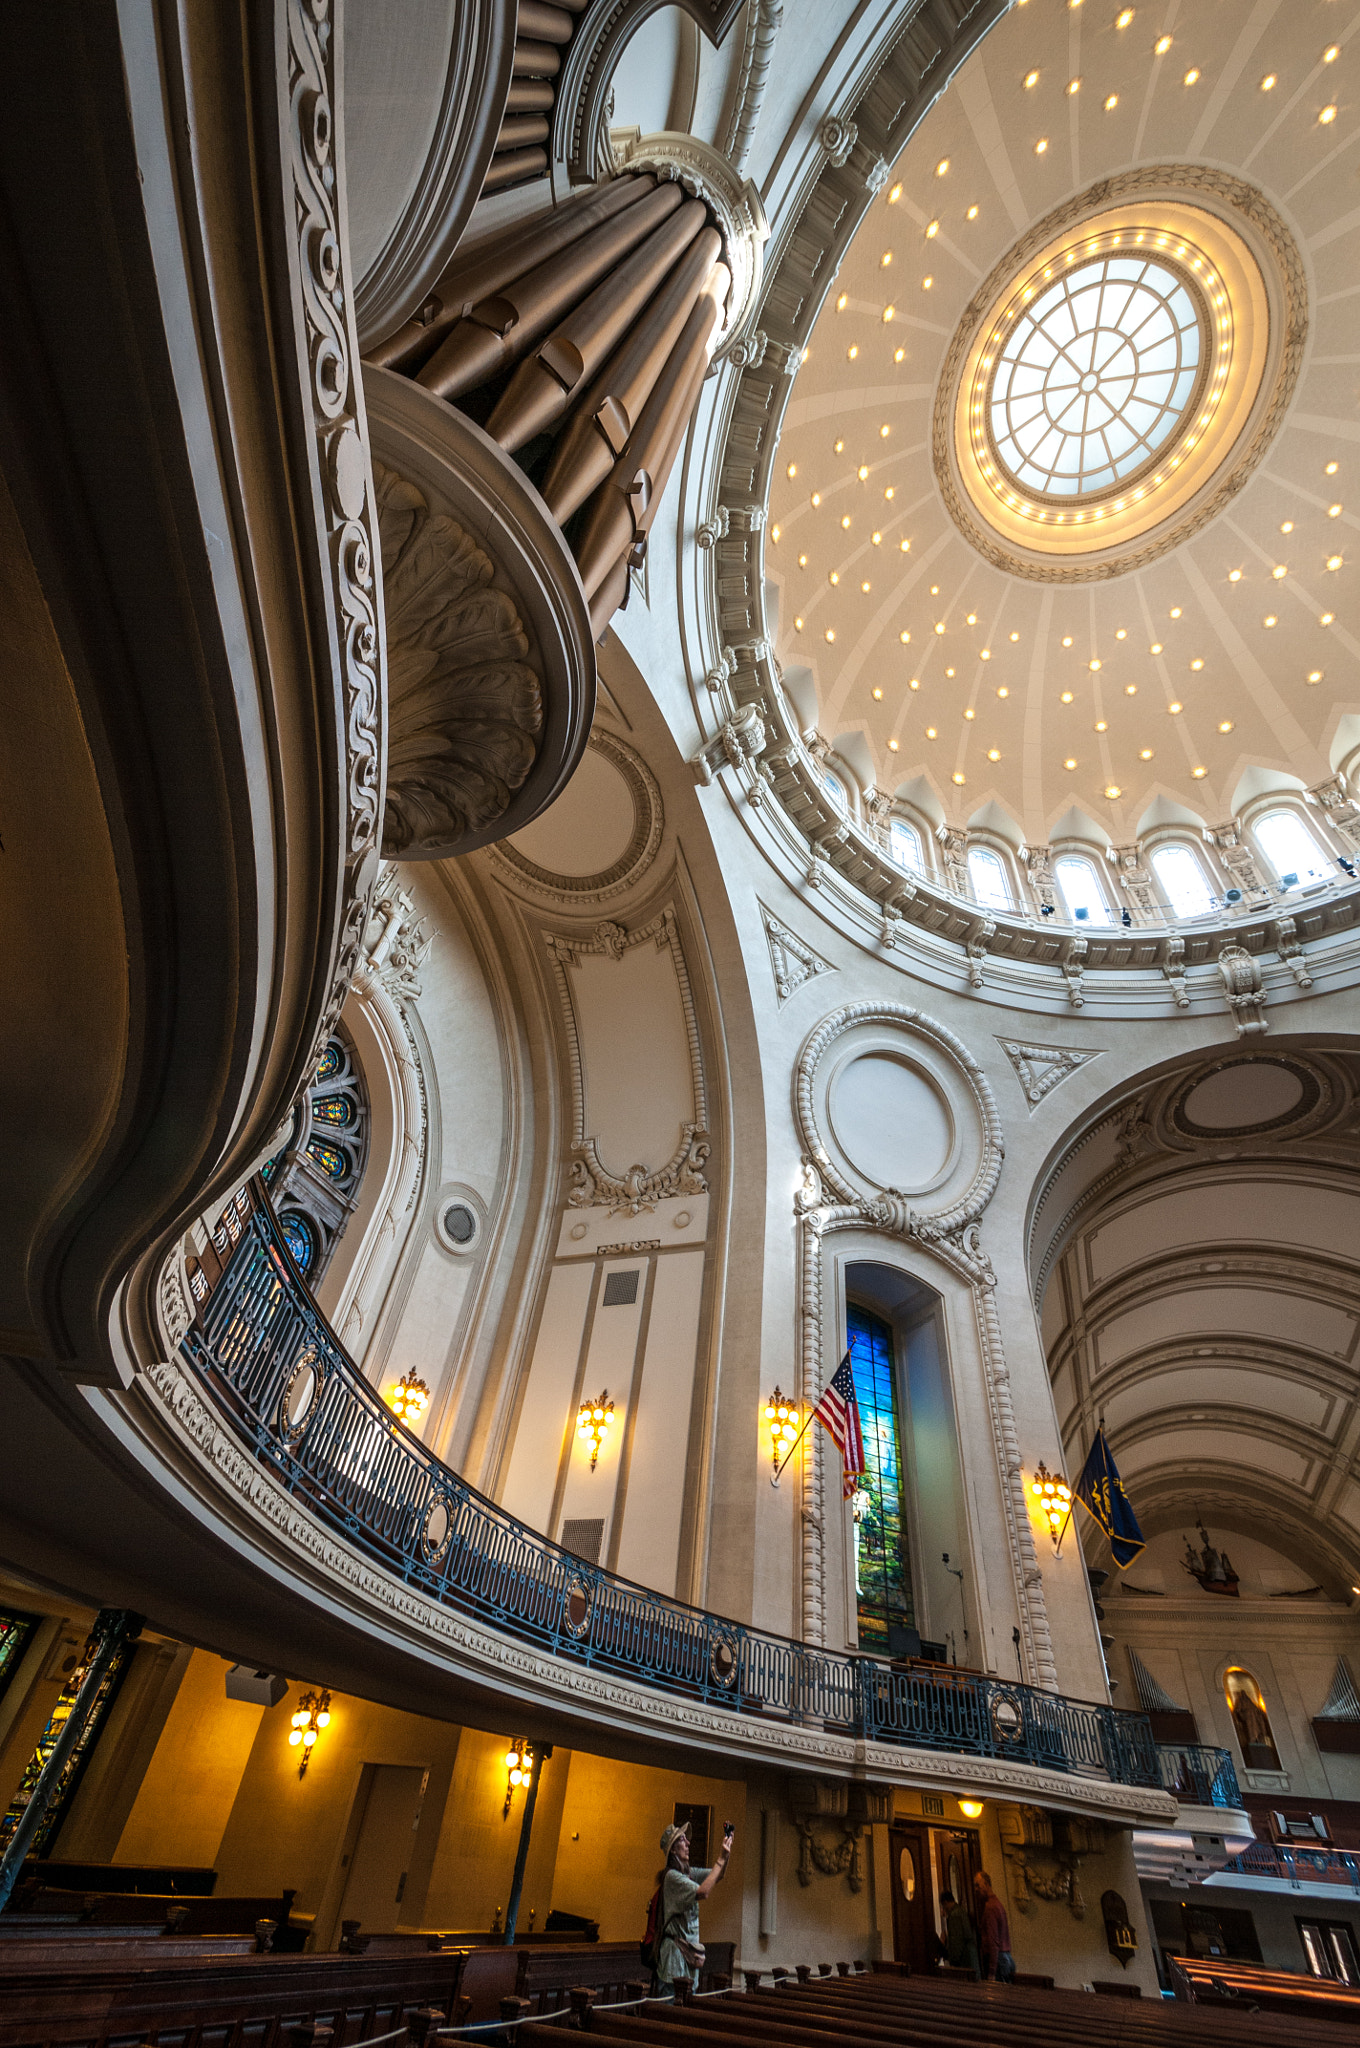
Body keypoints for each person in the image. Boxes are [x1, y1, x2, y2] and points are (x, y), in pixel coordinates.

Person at [656, 1819, 734, 1995]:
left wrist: (726, 1852)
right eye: (683, 1839)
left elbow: (717, 1875)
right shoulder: (672, 1877)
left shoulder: (688, 1873)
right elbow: (703, 1892)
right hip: (674, 1962)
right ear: (673, 1849)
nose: (688, 1843)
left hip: (688, 1959)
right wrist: (721, 1858)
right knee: (671, 2014)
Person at [973, 1870, 1015, 1983]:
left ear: (986, 1884)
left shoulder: (990, 1908)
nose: (976, 1889)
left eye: (978, 1885)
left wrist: (991, 1971)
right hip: (1006, 1957)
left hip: (998, 1961)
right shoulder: (997, 1904)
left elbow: (994, 1941)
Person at [938, 1888, 980, 1978]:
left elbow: (956, 1941)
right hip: (970, 1955)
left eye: (943, 1906)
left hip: (964, 1959)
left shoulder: (954, 1915)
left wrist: (953, 1961)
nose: (943, 1909)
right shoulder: (960, 1911)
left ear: (945, 1903)